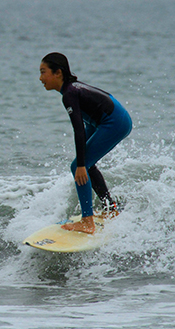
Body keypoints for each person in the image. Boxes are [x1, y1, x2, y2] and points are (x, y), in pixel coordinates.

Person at [39, 52, 132, 234]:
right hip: (106, 119)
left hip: (113, 122)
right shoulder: (71, 89)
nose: (40, 78)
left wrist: (80, 164)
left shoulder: (69, 94)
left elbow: (78, 130)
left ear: (58, 73)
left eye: (43, 72)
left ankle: (87, 222)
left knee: (78, 166)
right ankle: (110, 209)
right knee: (85, 164)